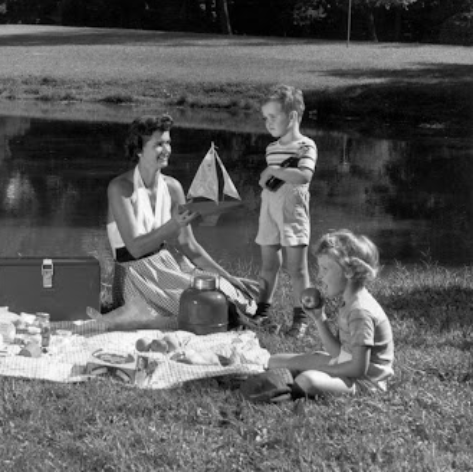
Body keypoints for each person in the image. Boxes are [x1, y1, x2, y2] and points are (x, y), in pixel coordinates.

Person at [88, 114, 259, 331]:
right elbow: (135, 247)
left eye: (168, 142)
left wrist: (228, 276)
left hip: (167, 267)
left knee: (232, 293)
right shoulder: (120, 188)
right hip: (134, 274)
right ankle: (137, 314)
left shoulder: (173, 187)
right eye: (159, 144)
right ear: (139, 149)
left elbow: (189, 245)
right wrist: (173, 224)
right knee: (207, 305)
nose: (167, 149)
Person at [267, 230, 394, 396]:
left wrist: (325, 369)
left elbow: (358, 369)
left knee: (308, 380)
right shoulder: (349, 302)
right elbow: (340, 353)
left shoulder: (360, 312)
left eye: (325, 269)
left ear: (349, 272)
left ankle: (289, 389)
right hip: (347, 366)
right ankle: (286, 376)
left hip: (365, 383)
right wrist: (320, 319)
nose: (320, 276)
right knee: (275, 360)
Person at [254, 84, 317, 338]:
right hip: (269, 208)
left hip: (293, 211)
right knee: (268, 265)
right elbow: (269, 179)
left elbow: (303, 176)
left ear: (291, 116)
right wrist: (266, 177)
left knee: (297, 269)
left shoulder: (306, 146)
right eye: (265, 118)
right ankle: (261, 313)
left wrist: (274, 171)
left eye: (273, 117)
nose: (268, 123)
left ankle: (300, 320)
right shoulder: (271, 148)